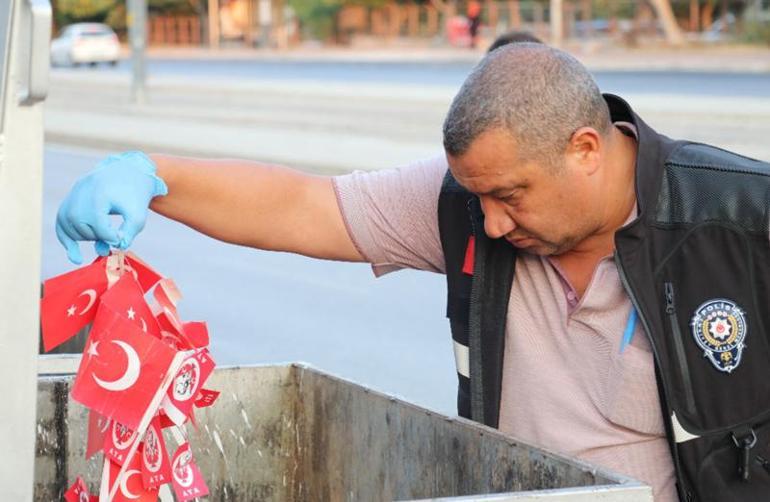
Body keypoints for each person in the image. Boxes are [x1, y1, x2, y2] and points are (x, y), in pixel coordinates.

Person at [55, 45, 770, 502]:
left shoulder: (739, 220)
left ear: (586, 148)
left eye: (510, 196)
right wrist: (154, 177)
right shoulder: (464, 205)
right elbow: (310, 208)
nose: (489, 224)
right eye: (478, 197)